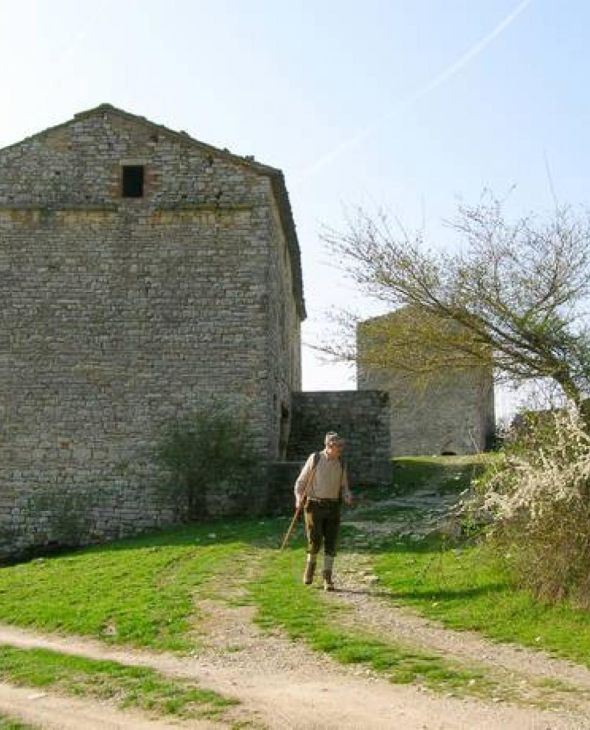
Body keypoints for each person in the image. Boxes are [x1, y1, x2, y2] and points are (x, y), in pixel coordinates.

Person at [293, 431, 353, 591]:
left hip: (333, 506)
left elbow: (344, 486)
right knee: (315, 539)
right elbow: (300, 483)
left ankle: (327, 578)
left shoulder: (341, 462)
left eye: (341, 445)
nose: (341, 448)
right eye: (338, 445)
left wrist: (347, 495)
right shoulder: (316, 459)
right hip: (314, 505)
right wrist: (298, 499)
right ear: (329, 446)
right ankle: (309, 570)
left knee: (331, 542)